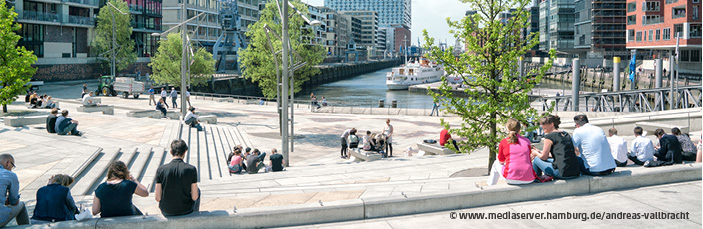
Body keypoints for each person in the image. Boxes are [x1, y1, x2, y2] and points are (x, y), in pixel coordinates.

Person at [155, 140, 200, 216]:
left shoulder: (161, 169)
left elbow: (157, 198)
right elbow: (195, 197)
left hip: (166, 210)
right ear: (185, 151)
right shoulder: (191, 169)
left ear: (171, 152)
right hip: (186, 209)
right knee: (198, 190)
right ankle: (194, 215)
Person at [487, 118, 537, 186]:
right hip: (529, 178)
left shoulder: (504, 141)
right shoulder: (527, 141)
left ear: (507, 129)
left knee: (496, 163)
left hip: (511, 178)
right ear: (520, 129)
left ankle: (490, 186)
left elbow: (501, 161)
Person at [0, 154, 29, 227]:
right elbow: (14, 201)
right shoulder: (10, 175)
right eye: (12, 167)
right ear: (8, 163)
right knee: (21, 205)